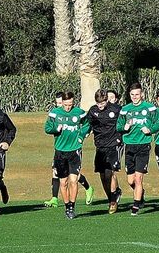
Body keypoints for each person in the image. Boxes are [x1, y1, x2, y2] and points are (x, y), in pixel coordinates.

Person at [45, 91, 91, 220]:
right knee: (63, 182)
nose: (68, 107)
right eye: (65, 105)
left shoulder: (79, 112)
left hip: (75, 150)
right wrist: (56, 129)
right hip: (60, 151)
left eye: (70, 104)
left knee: (73, 180)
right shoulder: (55, 113)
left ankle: (72, 206)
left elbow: (87, 125)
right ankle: (66, 206)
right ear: (62, 103)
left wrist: (81, 136)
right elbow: (47, 128)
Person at [118, 83, 156, 216]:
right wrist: (125, 127)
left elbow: (158, 123)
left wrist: (150, 130)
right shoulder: (125, 109)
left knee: (139, 178)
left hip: (143, 146)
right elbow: (118, 126)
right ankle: (140, 194)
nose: (135, 97)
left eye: (137, 94)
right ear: (130, 95)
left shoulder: (149, 108)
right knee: (131, 180)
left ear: (142, 94)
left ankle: (136, 205)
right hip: (129, 146)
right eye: (132, 94)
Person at [86, 88, 123, 214]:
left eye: (102, 103)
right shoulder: (93, 111)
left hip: (114, 145)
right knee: (102, 175)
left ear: (107, 100)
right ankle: (111, 198)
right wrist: (85, 133)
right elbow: (88, 124)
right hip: (100, 147)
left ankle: (113, 201)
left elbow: (125, 122)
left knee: (109, 172)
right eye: (98, 103)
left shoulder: (116, 109)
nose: (100, 106)